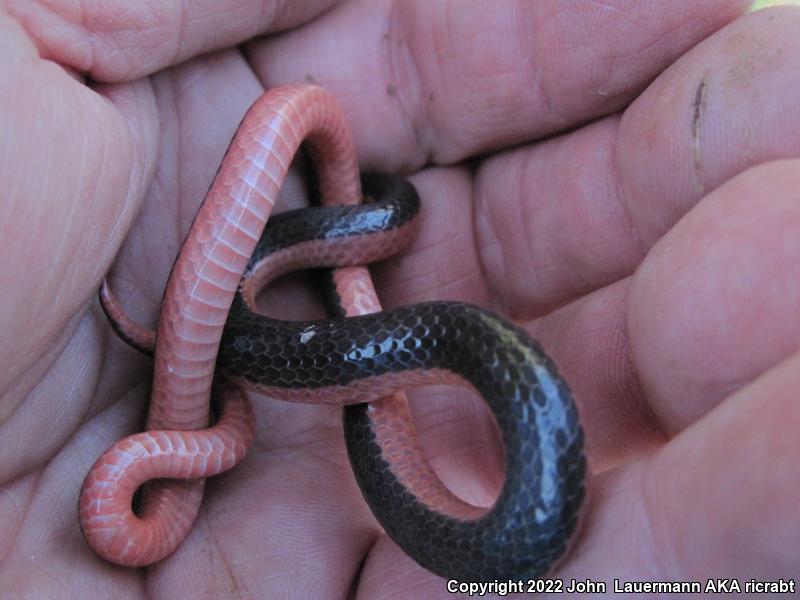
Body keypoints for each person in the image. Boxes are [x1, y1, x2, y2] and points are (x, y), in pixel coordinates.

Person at [1, 1, 797, 597]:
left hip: (344, 287)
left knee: (376, 317)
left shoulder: (366, 230)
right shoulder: (318, 242)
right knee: (323, 313)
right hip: (303, 292)